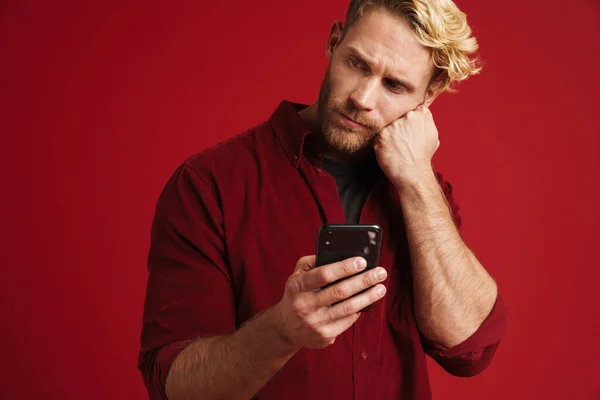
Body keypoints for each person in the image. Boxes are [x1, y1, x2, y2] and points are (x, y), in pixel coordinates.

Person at [138, 0, 507, 399]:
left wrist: (416, 180)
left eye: (394, 85)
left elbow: (468, 351)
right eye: (358, 64)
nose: (363, 98)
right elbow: (175, 386)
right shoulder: (209, 185)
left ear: (428, 95)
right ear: (334, 42)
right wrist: (281, 330)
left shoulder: (424, 194)